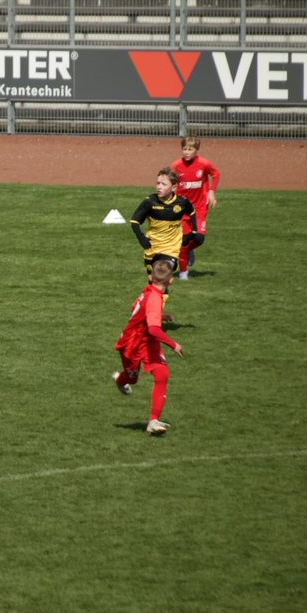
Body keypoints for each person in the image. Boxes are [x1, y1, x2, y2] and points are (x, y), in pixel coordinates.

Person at [111, 259, 184, 436]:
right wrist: (173, 344)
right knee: (131, 378)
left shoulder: (150, 292)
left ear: (151, 277)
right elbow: (153, 329)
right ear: (171, 280)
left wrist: (160, 315)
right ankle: (120, 380)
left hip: (148, 341)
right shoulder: (154, 298)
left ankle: (153, 421)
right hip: (133, 343)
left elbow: (144, 314)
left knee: (162, 374)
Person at [129, 167, 197, 275]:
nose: (159, 187)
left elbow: (192, 212)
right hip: (152, 248)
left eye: (163, 184)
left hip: (171, 249)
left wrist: (193, 232)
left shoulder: (182, 202)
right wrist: (142, 239)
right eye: (158, 183)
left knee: (162, 274)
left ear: (174, 187)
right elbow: (134, 222)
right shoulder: (150, 202)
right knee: (155, 284)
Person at [171, 135, 220, 280]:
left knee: (199, 238)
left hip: (199, 208)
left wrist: (211, 191)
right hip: (182, 210)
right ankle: (183, 273)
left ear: (196, 150)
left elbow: (216, 174)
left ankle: (187, 251)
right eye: (184, 149)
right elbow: (169, 181)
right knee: (185, 241)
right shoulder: (176, 166)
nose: (186, 152)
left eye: (190, 149)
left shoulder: (204, 164)